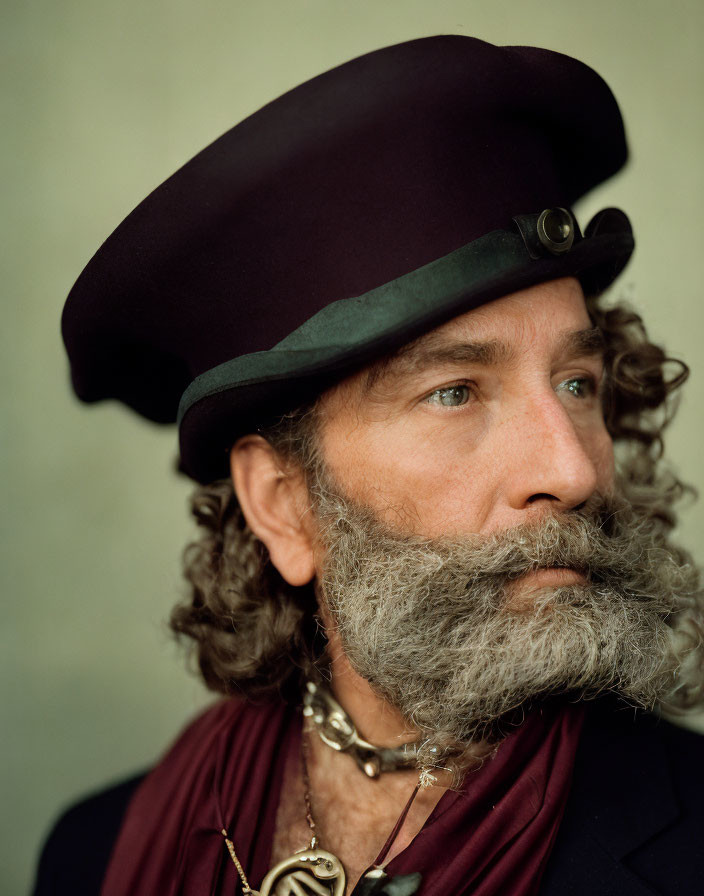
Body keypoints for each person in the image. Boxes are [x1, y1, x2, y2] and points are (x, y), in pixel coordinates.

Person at [35, 34, 704, 896]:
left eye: (578, 383)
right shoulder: (93, 857)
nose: (571, 469)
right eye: (456, 393)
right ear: (284, 504)